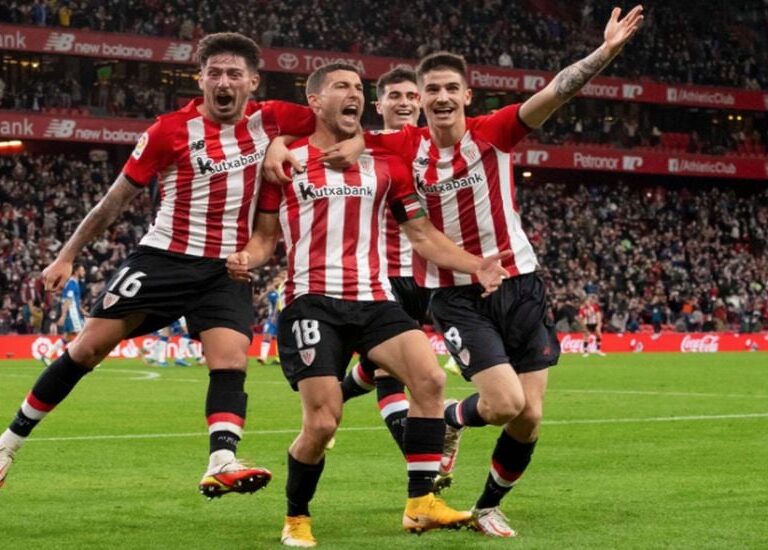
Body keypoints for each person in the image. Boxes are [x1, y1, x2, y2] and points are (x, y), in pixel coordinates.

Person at [0, 32, 332, 498]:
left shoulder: (274, 118)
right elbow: (115, 201)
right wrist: (67, 255)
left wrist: (280, 142)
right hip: (164, 258)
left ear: (252, 82)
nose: (223, 82)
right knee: (88, 349)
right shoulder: (169, 131)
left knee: (231, 359)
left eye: (234, 74)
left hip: (225, 267)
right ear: (200, 79)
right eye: (214, 73)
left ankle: (222, 460)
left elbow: (336, 125)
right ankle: (8, 444)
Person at [365, 6, 644, 537]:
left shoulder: (493, 132)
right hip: (455, 293)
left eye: (451, 88)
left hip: (521, 285)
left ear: (467, 95)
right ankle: (450, 419)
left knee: (529, 416)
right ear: (419, 99)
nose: (442, 97)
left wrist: (605, 53)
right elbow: (332, 140)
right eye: (432, 90)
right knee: (503, 403)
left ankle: (486, 505)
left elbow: (556, 92)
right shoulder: (402, 146)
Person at [226, 63, 510, 547]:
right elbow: (265, 239)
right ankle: (296, 517)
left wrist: (476, 264)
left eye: (358, 87)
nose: (353, 93)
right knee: (322, 423)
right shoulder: (285, 162)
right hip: (312, 302)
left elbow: (421, 234)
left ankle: (421, 504)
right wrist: (245, 258)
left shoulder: (386, 164)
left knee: (430, 379)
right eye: (342, 86)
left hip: (374, 298)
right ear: (316, 101)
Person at [335, 67, 461, 490]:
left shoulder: (437, 145)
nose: (404, 103)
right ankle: (420, 456)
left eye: (411, 96)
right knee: (390, 371)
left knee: (380, 367)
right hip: (383, 274)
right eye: (395, 96)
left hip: (432, 274)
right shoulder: (363, 148)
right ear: (379, 104)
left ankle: (338, 394)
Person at [41, 264, 86, 366]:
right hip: (72, 315)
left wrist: (82, 310)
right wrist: (63, 315)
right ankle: (83, 359)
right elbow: (67, 300)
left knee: (67, 337)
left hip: (74, 313)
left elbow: (74, 300)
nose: (84, 272)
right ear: (76, 271)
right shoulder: (71, 284)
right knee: (82, 335)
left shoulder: (74, 283)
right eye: (82, 270)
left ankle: (47, 355)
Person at [256, 270, 285, 365]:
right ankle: (263, 357)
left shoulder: (282, 291)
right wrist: (267, 291)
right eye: (275, 280)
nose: (276, 281)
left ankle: (279, 358)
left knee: (280, 338)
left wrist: (275, 315)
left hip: (280, 317)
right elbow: (259, 300)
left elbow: (278, 303)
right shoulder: (272, 292)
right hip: (271, 317)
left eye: (278, 280)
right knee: (267, 335)